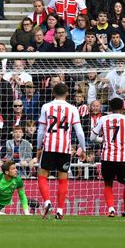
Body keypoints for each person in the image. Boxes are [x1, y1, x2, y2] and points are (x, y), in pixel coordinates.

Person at [37, 83, 86, 220]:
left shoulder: (46, 107)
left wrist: (38, 147)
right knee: (63, 179)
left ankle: (47, 201)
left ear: (53, 93)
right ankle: (59, 210)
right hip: (64, 148)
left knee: (42, 176)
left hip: (49, 146)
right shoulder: (73, 109)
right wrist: (84, 149)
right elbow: (80, 132)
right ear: (67, 94)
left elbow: (41, 130)